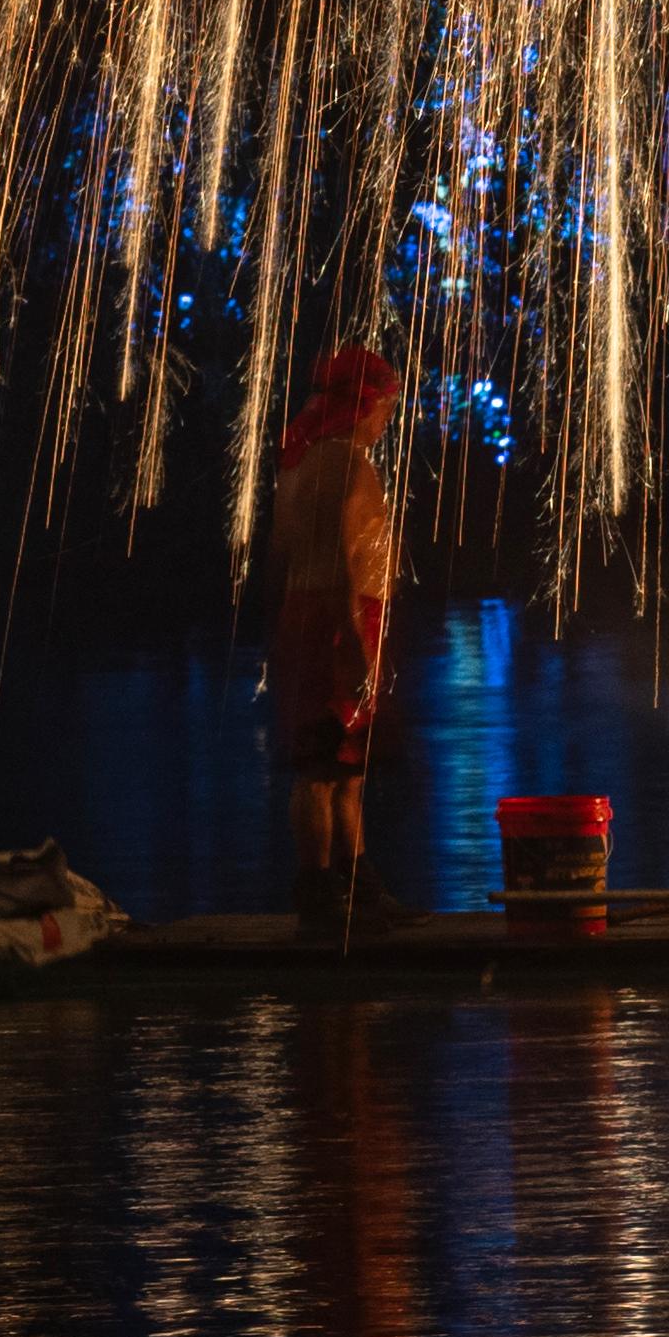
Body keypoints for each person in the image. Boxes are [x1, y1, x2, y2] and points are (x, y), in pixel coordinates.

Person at [262, 343, 399, 944]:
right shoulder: (349, 465)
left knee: (342, 765)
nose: (387, 420)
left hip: (304, 615)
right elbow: (347, 558)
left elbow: (279, 554)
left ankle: (354, 886)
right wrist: (357, 648)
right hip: (340, 618)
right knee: (325, 765)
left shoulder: (297, 466)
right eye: (386, 407)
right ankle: (322, 892)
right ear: (364, 405)